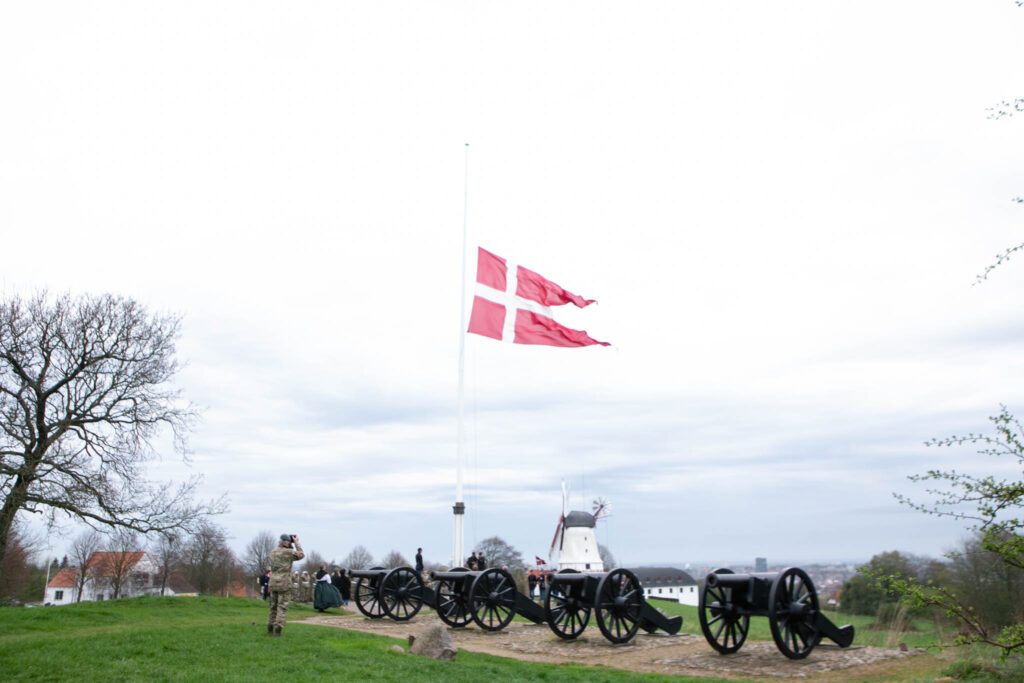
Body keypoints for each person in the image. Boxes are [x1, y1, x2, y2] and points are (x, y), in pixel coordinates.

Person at [267, 534, 304, 637]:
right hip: (284, 583)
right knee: (282, 607)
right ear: (287, 543)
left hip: (273, 582)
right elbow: (301, 554)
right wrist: (296, 543)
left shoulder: (273, 552)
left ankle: (269, 628)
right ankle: (277, 631)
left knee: (273, 607)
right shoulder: (289, 552)